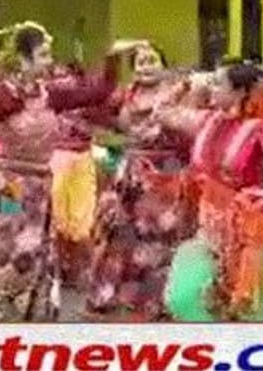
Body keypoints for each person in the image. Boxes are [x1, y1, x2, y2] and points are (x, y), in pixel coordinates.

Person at [0, 22, 110, 321]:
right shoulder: (3, 95)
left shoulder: (48, 94)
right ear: (23, 59)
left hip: (37, 187)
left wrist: (113, 58)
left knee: (31, 252)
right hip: (5, 184)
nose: (49, 61)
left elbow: (97, 92)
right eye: (43, 55)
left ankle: (24, 314)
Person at [162, 62, 263, 322]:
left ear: (239, 92)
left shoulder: (261, 131)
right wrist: (185, 85)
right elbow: (163, 112)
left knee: (251, 309)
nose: (210, 88)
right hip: (209, 229)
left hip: (248, 231)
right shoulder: (206, 122)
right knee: (185, 298)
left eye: (218, 84)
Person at [87, 40, 197, 320]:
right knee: (119, 233)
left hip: (166, 174)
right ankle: (111, 295)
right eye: (141, 62)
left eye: (152, 61)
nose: (146, 67)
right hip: (132, 171)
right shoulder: (125, 95)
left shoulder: (178, 94)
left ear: (164, 66)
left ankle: (155, 300)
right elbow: (95, 107)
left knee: (158, 236)